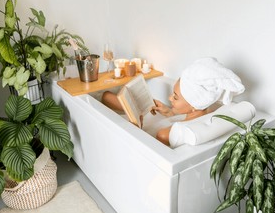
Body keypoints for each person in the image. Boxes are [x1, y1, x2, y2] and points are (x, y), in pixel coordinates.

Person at [101, 57, 245, 147]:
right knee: (106, 96)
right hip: (168, 119)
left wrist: (135, 129)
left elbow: (147, 153)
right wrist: (170, 112)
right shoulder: (206, 112)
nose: (170, 98)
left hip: (144, 133)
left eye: (175, 97)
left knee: (106, 97)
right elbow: (187, 117)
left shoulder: (166, 134)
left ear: (193, 105)